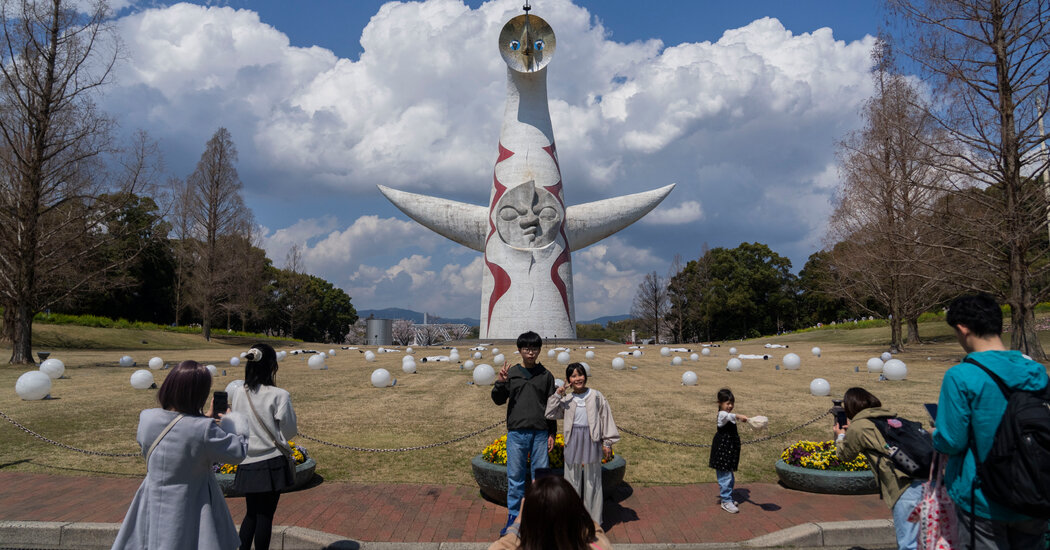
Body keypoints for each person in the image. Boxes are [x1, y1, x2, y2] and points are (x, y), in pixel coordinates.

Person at [932, 293, 1048, 549]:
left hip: (984, 495)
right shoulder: (1036, 371)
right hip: (1034, 488)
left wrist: (934, 435)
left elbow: (952, 440)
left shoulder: (961, 375)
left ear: (963, 329)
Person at [112, 360, 248, 550]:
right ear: (198, 394)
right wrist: (234, 423)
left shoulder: (147, 418)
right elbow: (237, 452)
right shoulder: (204, 429)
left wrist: (202, 419)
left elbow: (178, 432)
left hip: (152, 497)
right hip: (193, 502)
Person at [833, 387, 924, 550]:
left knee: (909, 545)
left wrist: (840, 435)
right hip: (927, 481)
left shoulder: (860, 426)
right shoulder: (891, 419)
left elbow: (844, 455)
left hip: (904, 487)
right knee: (928, 540)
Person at [229, 343, 298, 550]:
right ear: (271, 366)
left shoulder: (239, 392)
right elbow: (289, 431)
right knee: (265, 516)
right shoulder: (279, 395)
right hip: (271, 461)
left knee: (251, 514)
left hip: (247, 460)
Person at [491, 331, 557, 533]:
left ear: (539, 350)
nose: (530, 352)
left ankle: (540, 516)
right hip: (517, 433)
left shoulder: (546, 376)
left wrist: (552, 433)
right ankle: (514, 517)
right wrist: (501, 382)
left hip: (540, 433)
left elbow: (551, 407)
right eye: (526, 348)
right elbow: (498, 400)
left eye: (534, 348)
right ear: (519, 350)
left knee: (541, 479)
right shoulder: (512, 373)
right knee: (515, 478)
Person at [545, 362, 620, 526]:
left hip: (591, 439)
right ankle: (572, 521)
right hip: (573, 439)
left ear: (585, 376)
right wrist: (558, 394)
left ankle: (594, 521)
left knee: (593, 480)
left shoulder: (596, 396)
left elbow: (606, 418)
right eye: (573, 376)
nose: (578, 379)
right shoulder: (567, 399)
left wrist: (607, 442)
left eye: (580, 374)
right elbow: (549, 413)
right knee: (572, 480)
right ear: (568, 380)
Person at [489, 475, 614, 550]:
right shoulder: (600, 546)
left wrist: (518, 520)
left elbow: (500, 546)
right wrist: (571, 505)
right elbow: (595, 531)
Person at [708, 388, 748, 513]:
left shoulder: (728, 416)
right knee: (725, 477)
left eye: (732, 403)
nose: (730, 406)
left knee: (729, 476)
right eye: (727, 403)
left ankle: (728, 497)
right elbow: (728, 416)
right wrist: (738, 416)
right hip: (722, 450)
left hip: (729, 450)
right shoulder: (722, 415)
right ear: (720, 403)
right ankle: (726, 501)